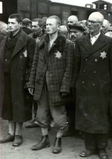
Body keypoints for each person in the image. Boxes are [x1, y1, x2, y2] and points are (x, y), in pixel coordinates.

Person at [72, 12, 112, 159]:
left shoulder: (109, 42)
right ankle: (89, 147)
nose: (90, 25)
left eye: (93, 22)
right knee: (86, 118)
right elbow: (76, 66)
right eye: (89, 22)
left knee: (101, 118)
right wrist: (75, 84)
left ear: (101, 25)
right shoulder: (81, 41)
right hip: (84, 86)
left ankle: (102, 148)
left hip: (101, 88)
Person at [27, 15, 74, 154]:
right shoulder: (41, 42)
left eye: (51, 25)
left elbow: (69, 67)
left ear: (58, 26)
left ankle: (58, 140)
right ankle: (44, 138)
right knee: (41, 115)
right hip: (41, 84)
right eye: (46, 25)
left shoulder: (67, 44)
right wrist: (31, 82)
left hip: (56, 86)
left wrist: (65, 86)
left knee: (59, 117)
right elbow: (35, 63)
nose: (47, 27)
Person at [0, 13, 36, 146]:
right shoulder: (5, 39)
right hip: (6, 78)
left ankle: (18, 135)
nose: (10, 26)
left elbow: (32, 63)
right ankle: (10, 133)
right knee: (8, 105)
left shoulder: (28, 40)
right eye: (9, 23)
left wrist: (28, 80)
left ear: (20, 25)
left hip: (20, 80)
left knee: (19, 106)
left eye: (13, 23)